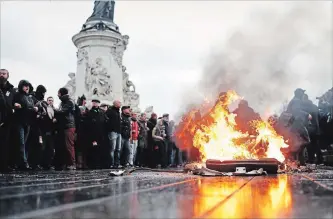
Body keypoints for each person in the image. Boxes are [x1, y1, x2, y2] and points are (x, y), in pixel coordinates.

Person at [13, 80, 38, 170]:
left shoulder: (30, 98)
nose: (26, 87)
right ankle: (23, 163)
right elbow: (13, 104)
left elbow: (30, 108)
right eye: (24, 86)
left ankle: (22, 162)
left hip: (28, 123)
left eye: (27, 86)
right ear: (21, 87)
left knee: (24, 143)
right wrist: (15, 105)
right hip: (19, 121)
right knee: (21, 142)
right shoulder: (17, 95)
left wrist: (35, 109)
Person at [54, 87, 76, 170]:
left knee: (69, 146)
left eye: (58, 93)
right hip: (65, 126)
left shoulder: (69, 101)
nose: (57, 95)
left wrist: (53, 110)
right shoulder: (64, 102)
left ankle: (72, 164)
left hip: (69, 126)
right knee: (65, 146)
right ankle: (68, 163)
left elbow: (63, 112)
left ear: (62, 93)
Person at [0, 69, 15, 172]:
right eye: (0, 74)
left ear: (7, 76)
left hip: (7, 119)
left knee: (6, 143)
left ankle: (4, 165)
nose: (1, 75)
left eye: (3, 74)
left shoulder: (12, 90)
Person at [302, 94, 323, 164]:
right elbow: (320, 116)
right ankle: (320, 159)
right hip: (317, 128)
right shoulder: (314, 106)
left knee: (309, 144)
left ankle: (311, 159)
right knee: (316, 144)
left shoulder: (304, 107)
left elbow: (303, 118)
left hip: (309, 128)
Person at [86, 99, 106, 169]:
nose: (95, 104)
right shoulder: (90, 112)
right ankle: (93, 164)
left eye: (96, 103)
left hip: (101, 133)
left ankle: (99, 163)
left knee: (100, 149)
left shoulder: (102, 112)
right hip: (93, 133)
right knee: (93, 149)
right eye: (94, 103)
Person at [106, 100, 122, 168]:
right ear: (115, 104)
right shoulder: (110, 111)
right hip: (112, 131)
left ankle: (117, 163)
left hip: (118, 132)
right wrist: (111, 128)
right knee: (112, 148)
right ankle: (111, 163)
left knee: (118, 149)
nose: (120, 104)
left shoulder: (118, 111)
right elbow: (106, 120)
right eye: (119, 103)